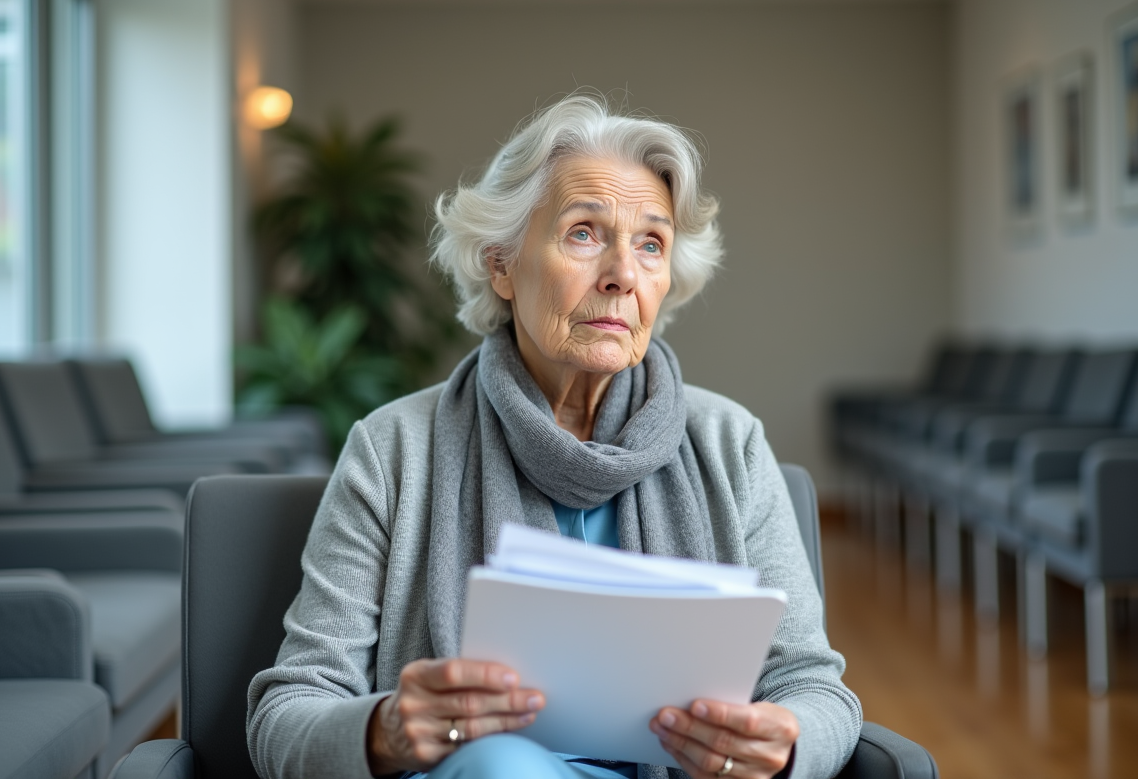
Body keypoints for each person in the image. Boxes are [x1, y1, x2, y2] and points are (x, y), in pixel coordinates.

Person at [247, 95, 861, 779]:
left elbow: (815, 687)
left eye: (651, 244)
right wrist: (386, 730)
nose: (623, 274)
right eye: (583, 233)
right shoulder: (392, 450)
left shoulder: (730, 443)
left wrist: (786, 743)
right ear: (501, 264)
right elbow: (287, 712)